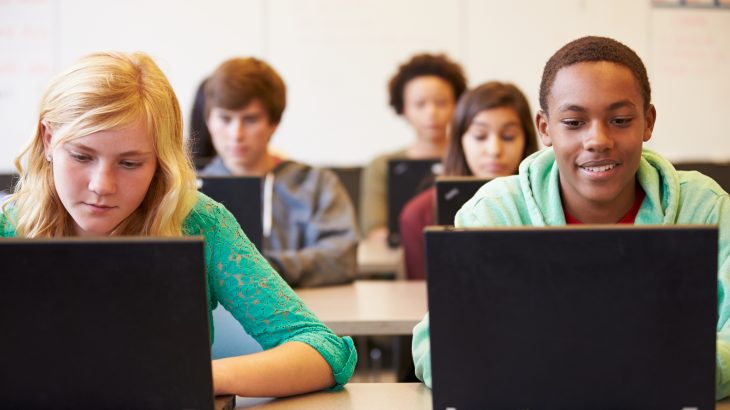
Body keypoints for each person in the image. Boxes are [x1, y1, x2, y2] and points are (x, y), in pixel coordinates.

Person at [0, 51, 356, 397]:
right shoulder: (7, 228)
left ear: (161, 162)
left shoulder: (198, 222)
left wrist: (198, 375)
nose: (101, 185)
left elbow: (323, 350)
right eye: (81, 156)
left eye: (130, 163)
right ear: (48, 140)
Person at [411, 35, 730, 399]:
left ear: (648, 121)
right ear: (545, 128)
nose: (598, 139)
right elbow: (437, 346)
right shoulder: (495, 212)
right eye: (574, 122)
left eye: (621, 119)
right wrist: (634, 364)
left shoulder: (704, 207)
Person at [199, 57, 358, 288]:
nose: (236, 134)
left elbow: (341, 258)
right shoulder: (191, 190)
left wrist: (264, 269)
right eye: (225, 119)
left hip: (303, 315)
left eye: (250, 119)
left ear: (274, 122)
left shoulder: (316, 184)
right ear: (208, 120)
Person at [399, 81, 539, 279]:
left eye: (508, 136)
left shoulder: (549, 203)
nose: (494, 150)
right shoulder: (420, 214)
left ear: (526, 140)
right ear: (459, 140)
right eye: (480, 136)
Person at [359, 53, 467, 245]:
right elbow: (375, 230)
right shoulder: (381, 166)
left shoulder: (474, 159)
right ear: (403, 108)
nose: (431, 113)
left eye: (441, 103)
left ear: (457, 105)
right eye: (419, 104)